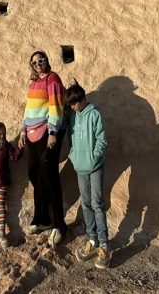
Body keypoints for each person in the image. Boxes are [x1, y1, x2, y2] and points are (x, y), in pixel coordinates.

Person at [18, 50, 67, 246]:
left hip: (48, 130)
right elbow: (28, 110)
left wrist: (53, 132)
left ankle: (59, 224)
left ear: (47, 61)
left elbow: (56, 106)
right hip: (31, 133)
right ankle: (41, 219)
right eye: (34, 62)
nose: (38, 64)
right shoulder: (34, 82)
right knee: (35, 174)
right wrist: (23, 131)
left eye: (41, 60)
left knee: (50, 174)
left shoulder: (53, 79)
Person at [66, 82, 110, 269]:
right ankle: (92, 240)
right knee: (85, 203)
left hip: (95, 167)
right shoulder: (73, 117)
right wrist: (74, 157)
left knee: (97, 204)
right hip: (80, 168)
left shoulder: (94, 114)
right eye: (71, 105)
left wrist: (94, 157)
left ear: (83, 99)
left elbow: (101, 138)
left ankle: (104, 245)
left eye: (75, 103)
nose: (73, 107)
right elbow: (71, 139)